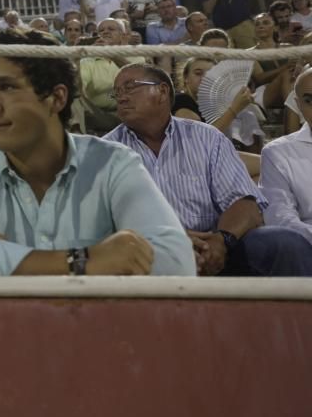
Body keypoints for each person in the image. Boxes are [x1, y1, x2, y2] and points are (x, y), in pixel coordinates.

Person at [0, 28, 194, 276]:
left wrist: (4, 259)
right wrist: (81, 261)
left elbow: (175, 262)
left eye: (6, 87)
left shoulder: (112, 163)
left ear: (57, 98)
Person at [105, 64, 311, 276]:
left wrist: (221, 240)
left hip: (215, 248)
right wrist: (171, 243)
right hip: (144, 251)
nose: (121, 97)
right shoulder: (105, 151)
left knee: (285, 243)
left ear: (162, 91)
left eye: (130, 87)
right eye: (117, 92)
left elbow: (244, 203)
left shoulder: (207, 138)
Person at [259, 68, 312, 271]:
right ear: (298, 105)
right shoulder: (277, 153)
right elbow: (279, 217)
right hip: (306, 247)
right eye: (310, 100)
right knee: (283, 241)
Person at [78, 18, 146, 132]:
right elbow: (79, 91)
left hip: (130, 110)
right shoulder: (87, 61)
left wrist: (111, 54)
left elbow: (139, 79)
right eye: (101, 30)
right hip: (98, 114)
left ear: (122, 36)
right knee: (75, 101)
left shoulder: (136, 56)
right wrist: (76, 59)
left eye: (111, 29)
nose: (105, 32)